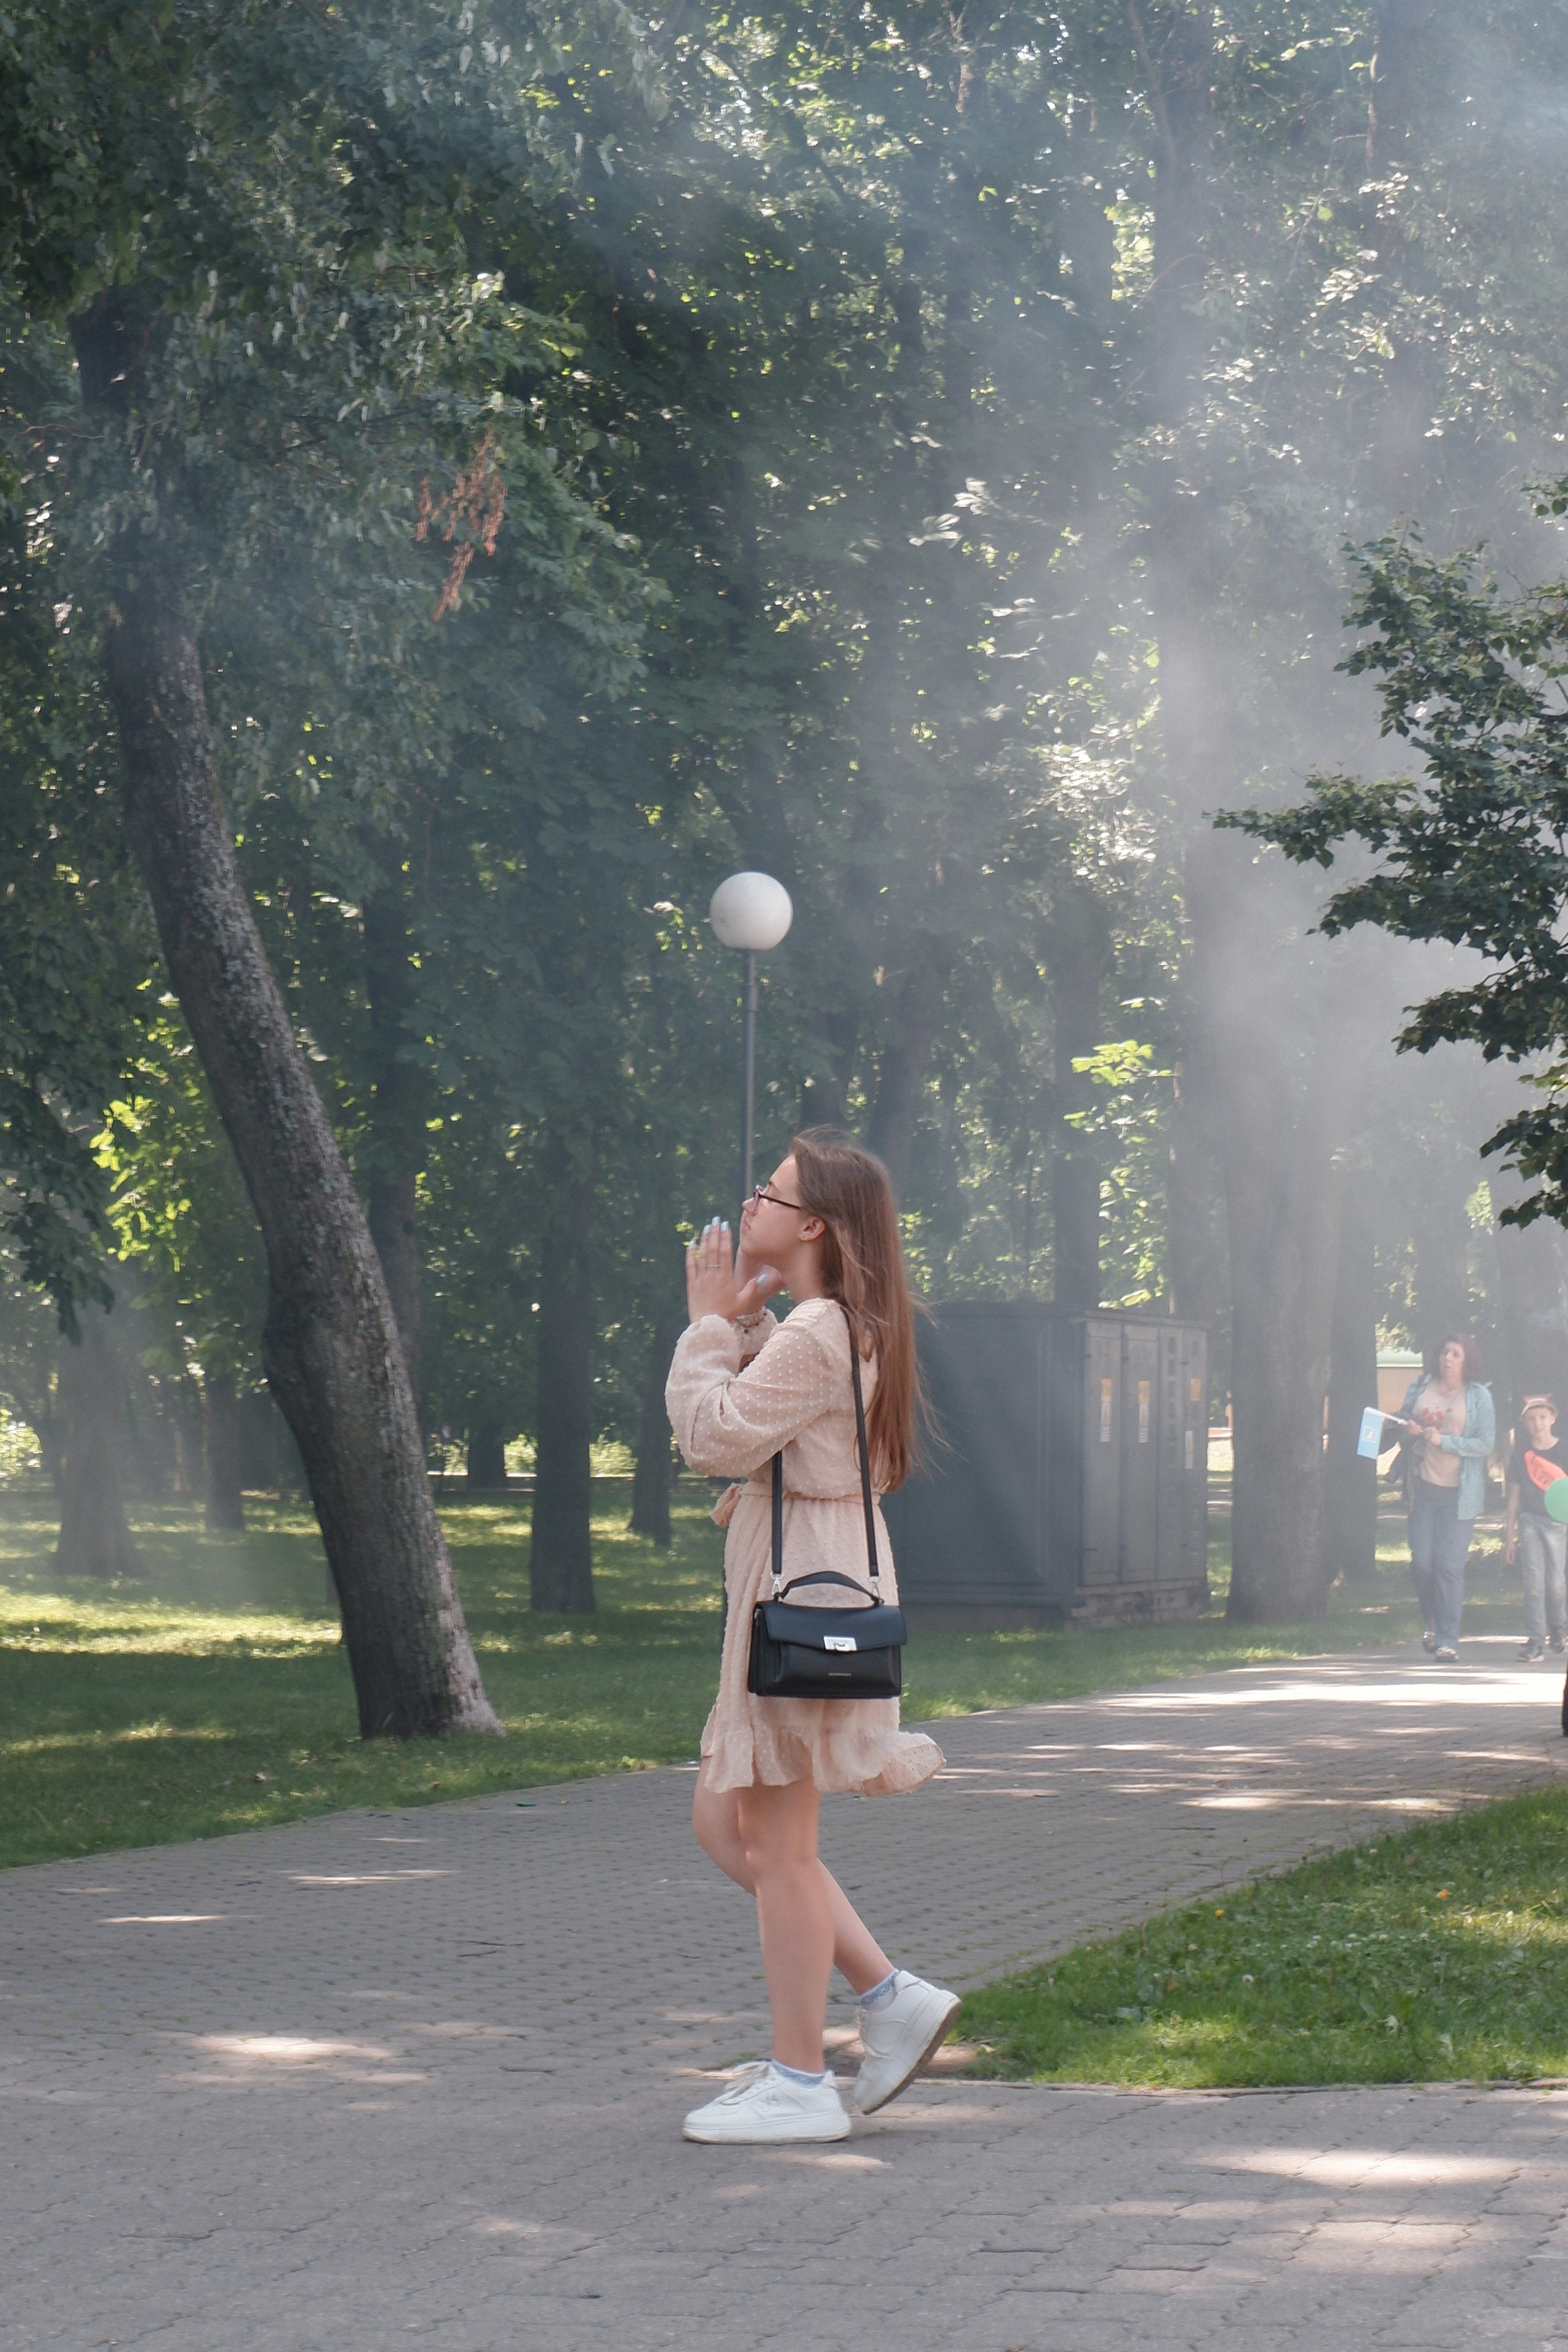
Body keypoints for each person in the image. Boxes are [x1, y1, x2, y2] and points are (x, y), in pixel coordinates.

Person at [665, 1128, 958, 2146]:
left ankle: (800, 2079)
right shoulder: (830, 1325)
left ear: (813, 1225)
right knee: (727, 1827)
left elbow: (714, 1438)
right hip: (807, 1578)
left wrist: (707, 1328)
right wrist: (745, 1332)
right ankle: (885, 1996)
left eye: (769, 1193)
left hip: (799, 1592)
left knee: (781, 1848)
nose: (750, 1204)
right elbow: (777, 1426)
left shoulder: (821, 1327)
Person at [1394, 1335, 1496, 1664]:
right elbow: (1402, 1424)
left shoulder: (1478, 1396)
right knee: (1422, 1562)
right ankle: (1433, 1619)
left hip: (1460, 1495)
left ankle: (1448, 1639)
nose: (1448, 1359)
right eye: (1444, 1353)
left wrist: (1446, 1442)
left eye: (1456, 1354)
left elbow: (1484, 1444)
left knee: (1449, 1566)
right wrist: (1408, 1429)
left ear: (1467, 1361)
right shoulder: (1421, 1386)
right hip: (1423, 1488)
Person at [1504, 1394, 1568, 1664]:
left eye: (1542, 1417)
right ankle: (1535, 1640)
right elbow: (1514, 1497)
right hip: (1529, 1521)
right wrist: (1509, 1538)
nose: (1537, 1423)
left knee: (1555, 1582)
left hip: (1558, 1522)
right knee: (1533, 1583)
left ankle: (1558, 1627)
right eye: (1531, 1419)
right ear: (1524, 1423)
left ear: (1553, 1418)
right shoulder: (1521, 1454)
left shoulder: (1564, 1450)